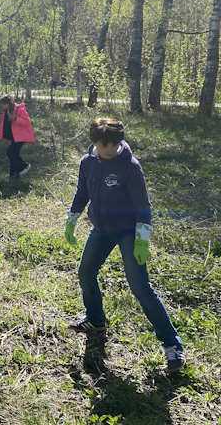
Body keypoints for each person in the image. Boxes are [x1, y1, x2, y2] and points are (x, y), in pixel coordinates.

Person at [65, 118, 185, 372]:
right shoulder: (87, 162)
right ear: (95, 142)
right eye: (103, 144)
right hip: (102, 229)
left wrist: (142, 240)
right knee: (86, 273)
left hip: (129, 232)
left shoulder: (130, 167)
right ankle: (95, 320)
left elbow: (143, 207)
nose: (108, 149)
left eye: (112, 144)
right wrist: (72, 218)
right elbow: (82, 192)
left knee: (140, 287)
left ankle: (172, 345)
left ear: (118, 142)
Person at [0, 95, 35, 178]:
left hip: (21, 136)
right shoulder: (6, 112)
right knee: (13, 155)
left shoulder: (19, 109)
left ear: (8, 103)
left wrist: (15, 119)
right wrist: (4, 137)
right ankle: (13, 174)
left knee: (10, 153)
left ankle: (24, 166)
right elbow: (4, 125)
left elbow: (27, 122)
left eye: (3, 104)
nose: (1, 106)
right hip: (13, 137)